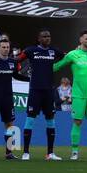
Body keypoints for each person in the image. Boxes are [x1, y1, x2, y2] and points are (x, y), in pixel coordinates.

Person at [53, 30, 87, 159]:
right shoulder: (72, 55)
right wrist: (42, 67)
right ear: (81, 40)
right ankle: (74, 152)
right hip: (78, 95)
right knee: (77, 122)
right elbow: (57, 66)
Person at [18, 29, 63, 160]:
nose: (47, 38)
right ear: (38, 38)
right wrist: (20, 71)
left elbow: (67, 57)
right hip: (35, 91)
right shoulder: (31, 50)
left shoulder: (54, 51)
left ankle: (50, 153)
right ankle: (26, 152)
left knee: (51, 121)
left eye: (49, 36)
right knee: (30, 120)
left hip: (49, 91)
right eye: (44, 36)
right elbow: (17, 60)